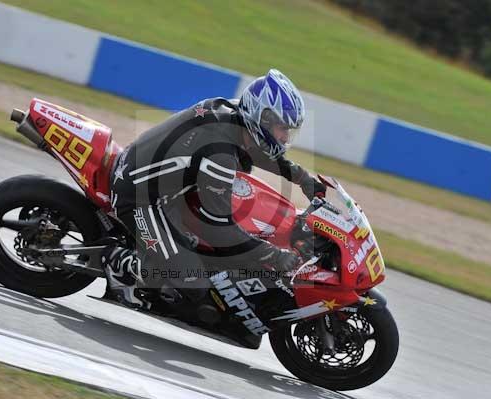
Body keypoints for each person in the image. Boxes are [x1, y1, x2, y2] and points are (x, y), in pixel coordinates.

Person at [103, 69, 326, 309]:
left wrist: (302, 178)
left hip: (165, 189)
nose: (285, 137)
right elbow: (220, 227)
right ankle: (119, 262)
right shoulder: (219, 154)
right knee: (192, 281)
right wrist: (272, 254)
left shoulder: (235, 116)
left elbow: (259, 151)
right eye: (282, 128)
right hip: (137, 197)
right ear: (264, 118)